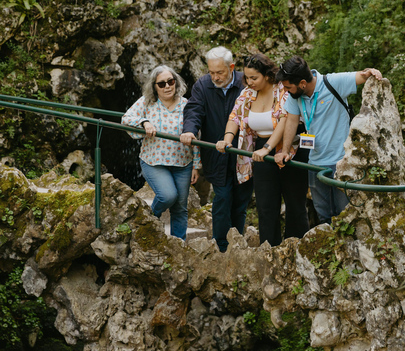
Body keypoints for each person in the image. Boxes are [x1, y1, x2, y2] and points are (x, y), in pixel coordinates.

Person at [214, 54, 310, 246]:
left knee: (295, 203)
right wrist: (226, 139)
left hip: (290, 148)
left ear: (267, 75)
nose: (249, 82)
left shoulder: (282, 89)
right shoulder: (247, 93)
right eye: (246, 78)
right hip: (260, 151)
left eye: (254, 78)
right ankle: (270, 249)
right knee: (266, 206)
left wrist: (268, 148)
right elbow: (235, 117)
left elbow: (285, 119)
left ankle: (296, 247)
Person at [274, 56, 382, 225]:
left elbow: (363, 76)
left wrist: (371, 72)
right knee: (323, 214)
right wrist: (285, 151)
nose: (286, 91)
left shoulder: (333, 82)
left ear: (302, 83)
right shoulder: (295, 97)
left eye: (288, 87)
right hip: (315, 163)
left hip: (342, 162)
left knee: (345, 214)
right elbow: (291, 121)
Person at [180, 46, 249, 252]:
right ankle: (221, 245)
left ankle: (237, 242)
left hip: (242, 154)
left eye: (220, 72)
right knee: (223, 198)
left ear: (232, 67)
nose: (215, 77)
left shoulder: (246, 83)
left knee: (240, 202)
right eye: (211, 72)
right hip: (215, 153)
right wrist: (190, 131)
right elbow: (194, 110)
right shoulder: (203, 85)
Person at [122, 65, 200, 240]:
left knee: (180, 207)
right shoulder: (147, 102)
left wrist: (196, 165)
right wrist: (144, 122)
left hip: (183, 163)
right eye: (162, 83)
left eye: (170, 82)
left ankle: (178, 244)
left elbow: (196, 136)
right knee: (167, 196)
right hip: (154, 161)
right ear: (154, 87)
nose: (167, 86)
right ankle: (147, 219)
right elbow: (126, 119)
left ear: (176, 82)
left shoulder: (186, 105)